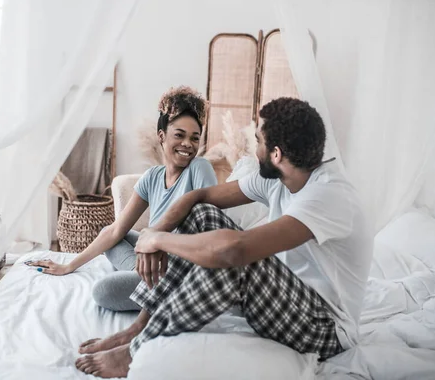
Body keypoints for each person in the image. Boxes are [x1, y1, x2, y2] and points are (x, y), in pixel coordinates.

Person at [75, 97, 373, 378]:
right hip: (286, 297)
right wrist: (154, 233)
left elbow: (236, 250)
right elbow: (198, 197)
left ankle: (133, 354)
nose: (254, 147)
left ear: (277, 154)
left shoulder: (329, 195)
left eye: (259, 141)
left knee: (233, 263)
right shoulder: (280, 177)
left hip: (326, 327)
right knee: (202, 214)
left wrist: (160, 242)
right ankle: (141, 325)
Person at [26, 86, 217, 312]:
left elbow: (210, 233)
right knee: (113, 235)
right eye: (179, 135)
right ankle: (144, 278)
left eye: (195, 138)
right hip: (154, 258)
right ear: (162, 136)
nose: (188, 144)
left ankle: (170, 295)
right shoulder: (152, 177)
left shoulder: (200, 168)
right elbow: (116, 231)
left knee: (103, 292)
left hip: (182, 271)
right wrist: (69, 266)